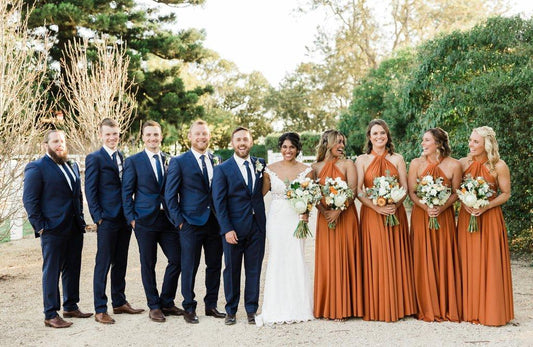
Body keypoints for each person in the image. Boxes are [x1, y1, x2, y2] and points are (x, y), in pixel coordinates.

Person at [23, 129, 92, 328]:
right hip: (52, 229)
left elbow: (77, 195)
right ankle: (50, 314)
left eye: (62, 141)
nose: (59, 144)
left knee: (72, 268)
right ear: (46, 145)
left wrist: (80, 217)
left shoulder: (71, 165)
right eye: (55, 141)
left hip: (73, 227)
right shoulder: (36, 167)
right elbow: (30, 200)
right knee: (52, 271)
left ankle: (70, 306)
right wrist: (41, 227)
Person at [355, 119, 417, 322]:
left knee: (395, 255)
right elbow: (359, 191)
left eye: (382, 133)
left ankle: (399, 305)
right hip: (372, 215)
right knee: (376, 256)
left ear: (387, 135)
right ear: (369, 137)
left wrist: (394, 206)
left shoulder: (398, 158)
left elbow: (405, 188)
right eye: (375, 134)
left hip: (394, 212)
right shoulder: (362, 160)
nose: (379, 137)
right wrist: (376, 207)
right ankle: (376, 304)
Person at [122, 120, 183, 323]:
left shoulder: (170, 160)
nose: (152, 138)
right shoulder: (133, 161)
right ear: (143, 138)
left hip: (167, 220)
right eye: (148, 135)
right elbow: (126, 192)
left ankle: (167, 300)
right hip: (144, 221)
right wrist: (131, 219)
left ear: (161, 136)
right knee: (148, 263)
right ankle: (154, 305)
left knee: (178, 259)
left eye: (155, 135)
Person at [165, 120, 225, 324]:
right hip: (190, 222)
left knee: (214, 265)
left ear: (209, 136)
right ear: (190, 137)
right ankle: (189, 307)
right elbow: (170, 196)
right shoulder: (179, 161)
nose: (202, 137)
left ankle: (211, 305)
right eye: (197, 134)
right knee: (189, 266)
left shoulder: (217, 159)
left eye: (205, 134)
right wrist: (179, 222)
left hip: (215, 222)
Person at [85, 118, 144, 324]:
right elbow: (90, 191)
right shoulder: (94, 158)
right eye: (108, 134)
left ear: (120, 134)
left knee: (121, 261)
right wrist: (98, 218)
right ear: (101, 135)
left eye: (115, 134)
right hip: (107, 219)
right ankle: (100, 308)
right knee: (103, 263)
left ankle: (119, 302)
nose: (112, 138)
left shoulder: (122, 157)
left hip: (124, 219)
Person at [256, 132, 314, 326]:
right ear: (280, 148)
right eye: (284, 147)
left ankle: (298, 306)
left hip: (296, 219)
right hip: (277, 218)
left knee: (296, 256)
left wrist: (306, 212)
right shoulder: (269, 170)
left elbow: (311, 196)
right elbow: (260, 195)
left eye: (291, 147)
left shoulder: (307, 170)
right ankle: (275, 307)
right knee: (277, 257)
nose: (287, 151)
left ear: (297, 149)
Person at [457, 126, 514, 326]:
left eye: (475, 142)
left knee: (489, 262)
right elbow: (456, 189)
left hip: (489, 218)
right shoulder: (463, 163)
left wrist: (486, 205)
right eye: (470, 140)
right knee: (468, 260)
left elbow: (506, 193)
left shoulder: (499, 166)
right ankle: (469, 309)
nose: (470, 144)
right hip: (467, 217)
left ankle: (491, 309)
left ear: (486, 145)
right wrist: (466, 203)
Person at [212, 126, 266, 325]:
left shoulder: (260, 164)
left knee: (254, 270)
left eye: (245, 139)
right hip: (233, 229)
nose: (242, 143)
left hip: (257, 227)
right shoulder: (222, 169)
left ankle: (251, 310)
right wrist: (226, 228)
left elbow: (261, 192)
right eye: (238, 140)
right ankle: (231, 310)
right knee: (232, 270)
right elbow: (218, 202)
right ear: (232, 143)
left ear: (251, 142)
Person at [407, 127, 462, 322]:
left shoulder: (454, 165)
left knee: (444, 255)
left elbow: (456, 192)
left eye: (427, 140)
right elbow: (412, 192)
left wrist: (441, 207)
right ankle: (424, 304)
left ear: (438, 144)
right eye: (423, 140)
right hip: (421, 217)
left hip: (444, 217)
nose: (423, 143)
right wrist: (425, 207)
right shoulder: (415, 164)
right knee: (422, 257)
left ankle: (446, 304)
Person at [311, 129, 363, 321]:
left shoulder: (348, 164)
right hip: (325, 220)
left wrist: (338, 210)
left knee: (346, 256)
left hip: (346, 217)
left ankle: (347, 306)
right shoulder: (315, 167)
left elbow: (352, 190)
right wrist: (325, 212)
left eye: (343, 142)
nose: (342, 146)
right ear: (327, 143)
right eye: (338, 142)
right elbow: (312, 193)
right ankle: (328, 306)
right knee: (328, 259)